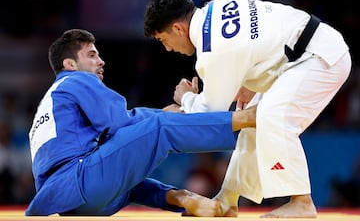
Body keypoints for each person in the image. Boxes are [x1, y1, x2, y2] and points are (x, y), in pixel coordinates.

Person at [143, 0, 352, 218]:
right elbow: (258, 36)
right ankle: (226, 201)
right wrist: (251, 79)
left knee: (272, 116)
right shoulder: (217, 7)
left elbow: (210, 113)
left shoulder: (213, 50)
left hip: (319, 57)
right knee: (252, 121)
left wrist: (185, 97)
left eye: (164, 40)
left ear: (177, 28)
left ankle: (302, 201)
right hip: (300, 52)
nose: (168, 49)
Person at [25, 29, 256, 216]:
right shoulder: (76, 80)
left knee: (133, 184)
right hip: (83, 182)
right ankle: (244, 118)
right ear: (70, 65)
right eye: (92, 55)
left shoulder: (51, 102)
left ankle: (184, 199)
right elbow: (118, 123)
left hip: (69, 201)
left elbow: (114, 135)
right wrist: (171, 115)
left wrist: (165, 113)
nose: (101, 61)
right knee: (160, 129)